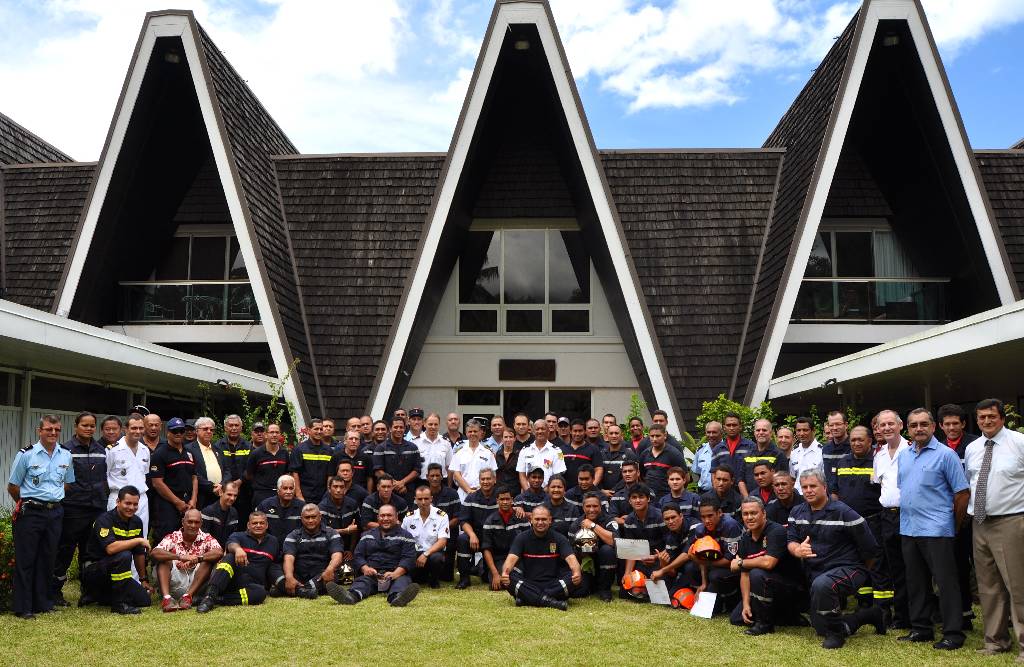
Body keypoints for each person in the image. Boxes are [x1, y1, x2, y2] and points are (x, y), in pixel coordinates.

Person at [896, 408, 969, 650]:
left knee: (946, 583)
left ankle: (953, 633)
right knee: (916, 582)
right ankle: (921, 628)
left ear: (933, 426)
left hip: (937, 530)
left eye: (924, 424)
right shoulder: (904, 456)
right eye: (914, 424)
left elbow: (961, 494)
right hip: (909, 528)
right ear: (908, 428)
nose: (919, 428)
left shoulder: (946, 455)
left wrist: (954, 525)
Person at [787, 469, 883, 649]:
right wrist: (797, 549)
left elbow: (870, 548)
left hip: (849, 569)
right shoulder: (796, 512)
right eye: (804, 487)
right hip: (817, 574)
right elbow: (791, 540)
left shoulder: (844, 512)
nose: (808, 490)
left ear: (824, 487)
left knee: (823, 585)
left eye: (813, 486)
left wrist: (861, 573)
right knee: (820, 628)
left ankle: (836, 635)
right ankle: (870, 615)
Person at [966, 398, 1024, 662]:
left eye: (991, 416)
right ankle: (996, 641)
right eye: (981, 417)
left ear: (1001, 417)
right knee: (988, 587)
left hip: (1011, 522)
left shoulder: (1018, 442)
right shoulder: (973, 447)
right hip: (980, 523)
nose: (986, 421)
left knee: (1018, 586)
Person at [8, 415, 74, 619]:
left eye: (56, 429)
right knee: (26, 560)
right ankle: (23, 607)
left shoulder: (66, 455)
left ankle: (42, 602)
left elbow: (68, 482)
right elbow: (13, 486)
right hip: (31, 512)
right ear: (40, 431)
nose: (53, 433)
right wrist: (28, 501)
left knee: (48, 559)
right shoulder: (26, 454)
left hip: (55, 512)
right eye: (48, 429)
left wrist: (52, 499)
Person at [833, 425, 891, 611]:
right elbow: (835, 491)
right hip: (850, 525)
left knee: (877, 563)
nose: (856, 443)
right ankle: (863, 602)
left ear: (870, 441)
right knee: (857, 561)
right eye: (853, 440)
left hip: (873, 521)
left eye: (861, 440)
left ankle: (883, 607)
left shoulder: (878, 461)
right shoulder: (842, 462)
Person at [53, 411, 107, 606]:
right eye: (85, 425)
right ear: (76, 426)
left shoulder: (101, 449)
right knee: (65, 550)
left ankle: (89, 592)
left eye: (92, 425)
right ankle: (55, 592)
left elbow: (104, 478)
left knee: (89, 553)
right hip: (73, 508)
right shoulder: (65, 449)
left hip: (96, 508)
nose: (89, 428)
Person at [731, 496, 806, 635]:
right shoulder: (745, 539)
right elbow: (744, 574)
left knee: (758, 573)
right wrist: (746, 604)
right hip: (763, 588)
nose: (749, 517)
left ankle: (765, 624)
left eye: (754, 513)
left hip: (790, 588)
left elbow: (768, 562)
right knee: (736, 618)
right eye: (745, 514)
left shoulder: (776, 531)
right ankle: (786, 617)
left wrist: (740, 562)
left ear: (764, 513)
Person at [78, 485, 153, 615]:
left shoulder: (136, 522)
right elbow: (111, 549)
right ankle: (118, 605)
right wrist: (138, 540)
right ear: (118, 502)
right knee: (124, 555)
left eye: (135, 504)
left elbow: (139, 553)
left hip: (115, 573)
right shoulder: (104, 520)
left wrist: (143, 579)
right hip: (94, 570)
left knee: (144, 600)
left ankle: (97, 596)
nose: (131, 508)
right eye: (127, 503)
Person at [326, 504, 420, 607]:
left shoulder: (406, 536)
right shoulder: (367, 535)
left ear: (396, 517)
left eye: (389, 515)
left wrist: (396, 573)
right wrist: (365, 568)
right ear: (378, 517)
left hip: (396, 574)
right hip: (372, 574)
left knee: (402, 582)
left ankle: (398, 598)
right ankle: (350, 596)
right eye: (382, 516)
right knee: (362, 582)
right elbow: (358, 555)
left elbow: (409, 558)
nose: (385, 519)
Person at [937, 402, 979, 628]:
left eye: (956, 423)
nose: (952, 427)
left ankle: (1010, 614)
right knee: (959, 566)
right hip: (953, 517)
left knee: (986, 566)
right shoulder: (940, 449)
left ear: (963, 424)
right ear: (941, 426)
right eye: (947, 424)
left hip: (977, 513)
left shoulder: (975, 445)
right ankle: (965, 613)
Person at [197, 510, 283, 612]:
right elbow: (231, 544)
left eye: (262, 523)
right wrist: (238, 549)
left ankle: (217, 600)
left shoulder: (273, 542)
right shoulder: (238, 536)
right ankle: (209, 597)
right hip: (231, 580)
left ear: (267, 525)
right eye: (255, 523)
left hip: (252, 585)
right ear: (248, 525)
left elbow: (275, 564)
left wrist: (278, 582)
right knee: (229, 557)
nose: (258, 525)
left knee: (260, 593)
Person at [500, 505, 583, 610]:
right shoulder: (521, 538)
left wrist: (576, 572)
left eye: (544, 519)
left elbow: (572, 560)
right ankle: (549, 601)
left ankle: (528, 598)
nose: (540, 522)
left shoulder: (559, 538)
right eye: (537, 519)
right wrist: (504, 574)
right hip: (529, 583)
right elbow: (510, 560)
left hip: (554, 584)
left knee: (575, 576)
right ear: (531, 520)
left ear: (550, 521)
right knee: (509, 576)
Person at [873, 408, 910, 629]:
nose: (886, 428)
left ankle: (916, 615)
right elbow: (881, 485)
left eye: (890, 424)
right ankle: (901, 617)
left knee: (913, 567)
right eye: (882, 425)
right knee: (894, 567)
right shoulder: (879, 455)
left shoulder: (912, 450)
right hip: (887, 516)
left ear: (900, 425)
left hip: (909, 515)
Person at [151, 508, 223, 612]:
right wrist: (180, 557)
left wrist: (198, 559)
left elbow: (219, 552)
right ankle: (167, 599)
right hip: (174, 582)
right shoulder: (173, 537)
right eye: (190, 521)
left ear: (201, 524)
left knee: (207, 560)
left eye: (196, 522)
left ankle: (187, 597)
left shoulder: (206, 537)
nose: (193, 525)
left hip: (196, 585)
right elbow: (155, 553)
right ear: (183, 522)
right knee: (164, 560)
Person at [679, 495, 743, 612]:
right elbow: (702, 557)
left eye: (710, 516)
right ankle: (701, 594)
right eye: (703, 517)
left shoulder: (730, 526)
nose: (707, 520)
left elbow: (730, 561)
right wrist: (703, 583)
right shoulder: (700, 530)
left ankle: (732, 601)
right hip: (714, 564)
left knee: (715, 575)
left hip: (736, 565)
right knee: (690, 568)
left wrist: (700, 561)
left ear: (719, 513)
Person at [150, 420, 199, 545]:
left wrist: (193, 500)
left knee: (185, 539)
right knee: (166, 539)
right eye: (174, 431)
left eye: (181, 431)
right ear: (168, 433)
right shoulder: (160, 453)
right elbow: (157, 483)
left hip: (188, 503)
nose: (178, 434)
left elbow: (194, 477)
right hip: (167, 504)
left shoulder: (189, 452)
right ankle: (160, 564)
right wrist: (177, 502)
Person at [281, 504, 344, 598]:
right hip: (299, 575)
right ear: (301, 518)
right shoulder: (293, 535)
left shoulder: (331, 533)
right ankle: (305, 590)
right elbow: (288, 558)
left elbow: (337, 555)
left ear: (320, 517)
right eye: (307, 517)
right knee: (277, 569)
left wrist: (330, 569)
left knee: (333, 576)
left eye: (313, 517)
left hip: (322, 574)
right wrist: (289, 577)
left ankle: (289, 589)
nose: (310, 520)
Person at [105, 414, 151, 538]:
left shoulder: (145, 450)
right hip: (119, 498)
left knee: (141, 537)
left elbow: (144, 474)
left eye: (141, 428)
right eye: (134, 428)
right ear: (126, 429)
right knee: (117, 538)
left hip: (140, 499)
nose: (138, 431)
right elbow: (105, 475)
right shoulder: (112, 450)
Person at [568, 492, 617, 601]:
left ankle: (605, 589)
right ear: (583, 507)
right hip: (585, 563)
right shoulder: (576, 524)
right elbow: (570, 553)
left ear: (600, 506)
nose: (591, 509)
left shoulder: (609, 520)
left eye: (595, 506)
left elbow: (614, 541)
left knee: (607, 550)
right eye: (588, 506)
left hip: (604, 562)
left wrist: (593, 526)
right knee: (581, 592)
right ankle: (591, 585)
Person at [455, 468, 499, 588]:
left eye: (488, 478)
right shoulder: (471, 497)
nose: (485, 481)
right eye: (483, 479)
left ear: (494, 480)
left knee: (486, 579)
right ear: (479, 481)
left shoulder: (500, 497)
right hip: (476, 535)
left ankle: (482, 570)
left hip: (494, 537)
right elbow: (463, 521)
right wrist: (472, 535)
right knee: (462, 539)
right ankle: (464, 579)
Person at [621, 483, 666, 598]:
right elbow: (631, 550)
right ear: (630, 501)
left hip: (662, 559)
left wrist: (656, 557)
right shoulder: (629, 521)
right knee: (625, 593)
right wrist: (627, 574)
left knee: (659, 596)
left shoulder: (659, 516)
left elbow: (670, 544)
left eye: (641, 497)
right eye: (634, 497)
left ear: (648, 499)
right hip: (641, 561)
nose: (638, 500)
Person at [481, 486, 529, 591]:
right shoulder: (490, 521)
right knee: (500, 584)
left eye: (508, 499)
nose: (505, 502)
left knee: (516, 578)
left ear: (512, 500)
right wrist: (494, 574)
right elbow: (486, 549)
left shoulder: (521, 518)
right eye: (502, 499)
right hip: (499, 559)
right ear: (497, 500)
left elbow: (529, 543)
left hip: (518, 559)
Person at [401, 485, 450, 588]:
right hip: (414, 554)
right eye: (420, 499)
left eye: (426, 498)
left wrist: (425, 554)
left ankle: (434, 580)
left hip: (432, 553)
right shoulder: (409, 517)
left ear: (431, 498)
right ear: (415, 500)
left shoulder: (442, 516)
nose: (423, 502)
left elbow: (442, 542)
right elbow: (402, 538)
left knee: (437, 558)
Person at [373, 416, 421, 501]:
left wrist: (402, 482)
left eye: (401, 427)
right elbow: (378, 471)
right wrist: (394, 484)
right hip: (387, 492)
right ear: (390, 429)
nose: (398, 429)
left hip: (407, 491)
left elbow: (417, 470)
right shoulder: (380, 448)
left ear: (405, 429)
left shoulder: (413, 448)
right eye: (395, 427)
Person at [449, 419, 497, 500]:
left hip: (484, 494)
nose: (472, 434)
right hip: (463, 494)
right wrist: (469, 490)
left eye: (475, 431)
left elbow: (493, 475)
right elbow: (456, 475)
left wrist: (480, 490)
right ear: (466, 433)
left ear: (480, 432)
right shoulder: (459, 451)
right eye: (470, 431)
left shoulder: (488, 453)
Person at [711, 412, 756, 496]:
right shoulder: (717, 449)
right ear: (724, 428)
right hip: (725, 493)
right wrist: (716, 494)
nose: (731, 428)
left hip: (746, 491)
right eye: (728, 425)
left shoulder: (751, 447)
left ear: (740, 427)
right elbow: (714, 473)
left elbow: (754, 471)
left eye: (734, 425)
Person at [246, 422, 290, 506]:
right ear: (266, 435)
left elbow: (287, 473)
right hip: (261, 495)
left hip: (280, 495)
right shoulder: (256, 454)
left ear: (280, 435)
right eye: (271, 432)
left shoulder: (285, 453)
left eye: (277, 432)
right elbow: (249, 475)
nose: (274, 435)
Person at [290, 418, 334, 503]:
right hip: (305, 495)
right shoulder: (299, 449)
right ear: (309, 430)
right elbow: (295, 473)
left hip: (323, 497)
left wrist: (329, 494)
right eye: (316, 429)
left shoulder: (329, 451)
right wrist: (298, 495)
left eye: (321, 429)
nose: (319, 431)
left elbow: (330, 474)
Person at [516, 419, 566, 489]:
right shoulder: (524, 450)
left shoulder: (557, 451)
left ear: (548, 431)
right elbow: (522, 475)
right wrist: (529, 492)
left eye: (543, 429)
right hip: (528, 494)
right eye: (537, 429)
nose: (540, 431)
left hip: (548, 494)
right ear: (533, 432)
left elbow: (557, 476)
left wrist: (543, 493)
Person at [639, 424, 687, 498]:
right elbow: (642, 475)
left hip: (669, 498)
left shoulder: (674, 454)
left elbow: (685, 477)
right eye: (652, 436)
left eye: (658, 436)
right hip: (650, 498)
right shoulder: (644, 454)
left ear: (665, 436)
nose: (654, 439)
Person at [188, 417, 226, 509]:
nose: (209, 431)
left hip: (220, 495)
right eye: (205, 429)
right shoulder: (189, 449)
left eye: (211, 429)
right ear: (197, 431)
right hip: (201, 496)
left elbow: (227, 470)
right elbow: (192, 473)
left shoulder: (218, 448)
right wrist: (212, 487)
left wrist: (222, 484)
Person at [319, 475, 361, 552]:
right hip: (328, 548)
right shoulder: (322, 507)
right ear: (329, 489)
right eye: (335, 487)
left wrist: (351, 550)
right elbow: (323, 533)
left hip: (348, 548)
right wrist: (346, 530)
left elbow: (356, 529)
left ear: (345, 489)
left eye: (341, 487)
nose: (338, 490)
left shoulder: (353, 504)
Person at [559, 419, 605, 489]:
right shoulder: (560, 450)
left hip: (586, 491)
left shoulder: (593, 449)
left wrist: (592, 486)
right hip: (565, 491)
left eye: (580, 431)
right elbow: (556, 470)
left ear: (585, 432)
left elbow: (599, 469)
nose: (577, 434)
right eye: (575, 431)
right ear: (570, 431)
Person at [258, 475, 304, 543]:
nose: (289, 492)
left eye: (291, 488)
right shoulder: (265, 505)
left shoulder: (302, 507)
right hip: (270, 545)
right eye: (285, 488)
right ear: (278, 490)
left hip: (294, 545)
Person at [743, 419, 781, 496]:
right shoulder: (748, 454)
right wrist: (747, 499)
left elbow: (781, 480)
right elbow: (741, 480)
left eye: (764, 430)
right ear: (754, 433)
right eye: (758, 430)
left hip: (772, 500)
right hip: (750, 500)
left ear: (771, 433)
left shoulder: (778, 454)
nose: (761, 433)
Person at [330, 429, 374, 494]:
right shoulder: (336, 457)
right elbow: (330, 476)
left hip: (360, 494)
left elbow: (369, 479)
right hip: (340, 493)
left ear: (359, 442)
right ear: (345, 441)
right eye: (351, 439)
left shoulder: (366, 458)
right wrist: (330, 492)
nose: (354, 441)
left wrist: (368, 495)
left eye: (356, 439)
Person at [413, 413, 452, 486]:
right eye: (430, 424)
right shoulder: (415, 442)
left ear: (439, 425)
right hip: (422, 483)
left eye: (436, 424)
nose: (433, 427)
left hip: (442, 483)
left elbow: (449, 467)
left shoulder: (446, 442)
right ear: (424, 424)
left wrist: (449, 486)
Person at [201, 479, 240, 548]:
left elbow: (233, 537)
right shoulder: (208, 511)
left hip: (226, 550)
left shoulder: (234, 512)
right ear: (221, 492)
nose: (232, 498)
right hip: (209, 550)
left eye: (235, 495)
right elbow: (203, 537)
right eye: (229, 494)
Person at [599, 423, 636, 494]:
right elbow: (597, 474)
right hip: (603, 494)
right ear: (606, 436)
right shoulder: (601, 454)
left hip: (623, 494)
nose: (614, 436)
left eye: (616, 433)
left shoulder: (630, 455)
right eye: (611, 433)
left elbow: (633, 475)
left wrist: (614, 491)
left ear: (622, 436)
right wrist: (602, 490)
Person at [821, 411, 851, 492]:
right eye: (831, 425)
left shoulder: (854, 447)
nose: (834, 428)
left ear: (846, 425)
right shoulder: (826, 449)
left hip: (848, 495)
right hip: (829, 498)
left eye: (838, 424)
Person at [692, 423, 718, 495]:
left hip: (722, 494)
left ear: (721, 433)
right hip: (703, 493)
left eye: (714, 432)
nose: (711, 435)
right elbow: (697, 472)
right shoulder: (700, 451)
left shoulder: (727, 450)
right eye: (708, 432)